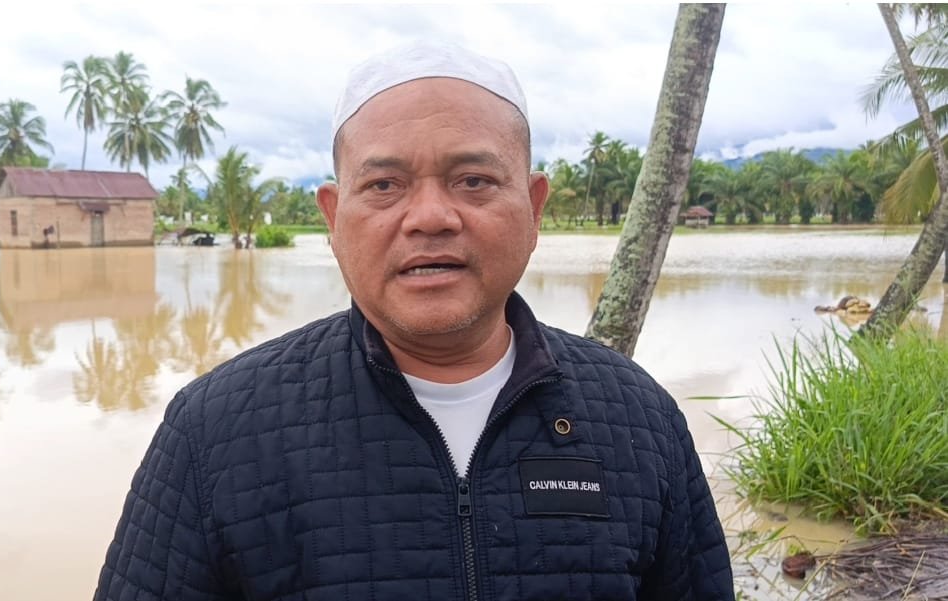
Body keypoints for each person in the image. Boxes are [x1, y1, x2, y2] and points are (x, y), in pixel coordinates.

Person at [94, 40, 734, 601]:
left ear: (534, 209)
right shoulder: (213, 432)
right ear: (333, 217)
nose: (431, 217)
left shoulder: (639, 418)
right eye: (384, 186)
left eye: (474, 180)